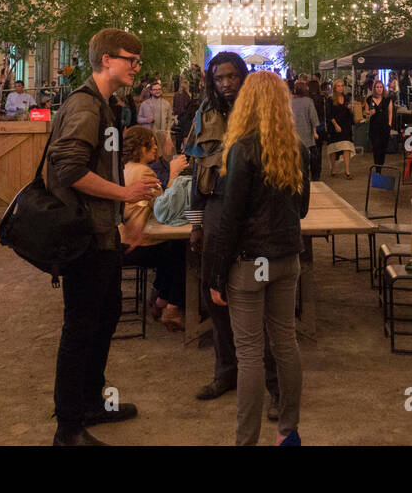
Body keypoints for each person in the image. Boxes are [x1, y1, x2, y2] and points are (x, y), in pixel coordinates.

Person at [47, 29, 161, 446]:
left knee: (105, 314)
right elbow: (69, 169)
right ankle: (68, 428)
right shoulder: (85, 106)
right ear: (107, 60)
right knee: (80, 327)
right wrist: (125, 195)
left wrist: (124, 217)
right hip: (82, 236)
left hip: (101, 232)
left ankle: (91, 402)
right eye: (131, 58)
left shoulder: (104, 105)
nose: (136, 66)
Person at [208, 71, 311, 446]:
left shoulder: (242, 148)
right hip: (287, 259)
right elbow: (301, 209)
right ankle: (288, 430)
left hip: (249, 263)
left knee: (249, 352)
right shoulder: (297, 147)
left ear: (247, 104)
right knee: (285, 342)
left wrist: (216, 275)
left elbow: (230, 218)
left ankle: (246, 440)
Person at [185, 52, 281, 415]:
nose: (226, 84)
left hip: (253, 215)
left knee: (259, 302)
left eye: (232, 77)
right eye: (219, 78)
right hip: (214, 211)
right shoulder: (204, 115)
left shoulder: (260, 112)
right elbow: (195, 172)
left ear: (243, 76)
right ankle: (227, 372)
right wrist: (196, 223)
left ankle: (275, 389)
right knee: (215, 296)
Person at [120, 127, 189, 332]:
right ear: (142, 147)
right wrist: (174, 174)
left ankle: (161, 300)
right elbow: (164, 208)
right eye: (152, 142)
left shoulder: (127, 168)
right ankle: (171, 307)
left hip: (124, 242)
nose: (156, 147)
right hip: (138, 244)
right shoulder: (145, 172)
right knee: (181, 250)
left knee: (172, 248)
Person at [290, 81, 321, 183]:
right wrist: (315, 131)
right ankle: (308, 177)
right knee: (307, 157)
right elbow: (313, 117)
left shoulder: (290, 101)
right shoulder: (308, 101)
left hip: (294, 134)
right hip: (307, 134)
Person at [364, 79, 396, 172]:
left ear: (383, 88)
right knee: (376, 148)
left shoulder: (387, 99)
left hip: (384, 127)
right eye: (377, 87)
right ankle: (377, 168)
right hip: (374, 127)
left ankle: (380, 166)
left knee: (382, 149)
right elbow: (365, 112)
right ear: (374, 88)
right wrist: (370, 112)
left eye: (380, 87)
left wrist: (389, 124)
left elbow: (390, 113)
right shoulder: (369, 99)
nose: (379, 89)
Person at [326, 91, 356, 179]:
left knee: (346, 147)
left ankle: (347, 170)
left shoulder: (346, 98)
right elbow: (329, 114)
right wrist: (335, 125)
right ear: (335, 88)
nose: (340, 88)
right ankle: (333, 167)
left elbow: (350, 114)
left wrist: (350, 109)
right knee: (334, 148)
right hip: (334, 126)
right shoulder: (330, 99)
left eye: (342, 86)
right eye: (338, 86)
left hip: (345, 126)